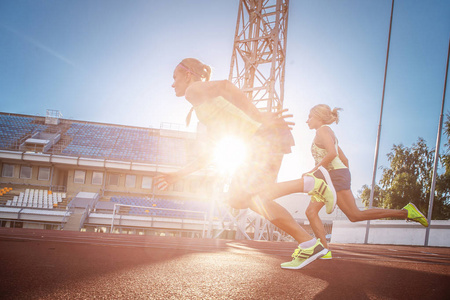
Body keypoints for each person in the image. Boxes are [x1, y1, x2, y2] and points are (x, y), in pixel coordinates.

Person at [156, 58, 336, 270]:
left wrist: (259, 116)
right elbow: (210, 154)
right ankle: (308, 242)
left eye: (175, 77)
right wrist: (177, 175)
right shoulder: (203, 109)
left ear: (187, 75)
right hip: (266, 138)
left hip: (263, 137)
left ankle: (312, 185)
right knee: (252, 199)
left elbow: (224, 85)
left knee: (239, 197)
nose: (172, 84)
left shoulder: (193, 90)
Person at [303, 104, 429, 259]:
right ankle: (324, 249)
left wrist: (314, 172)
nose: (306, 120)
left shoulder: (322, 130)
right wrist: (342, 179)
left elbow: (332, 153)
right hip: (332, 177)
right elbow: (344, 159)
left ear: (318, 116)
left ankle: (406, 212)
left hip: (333, 177)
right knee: (320, 212)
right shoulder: (327, 133)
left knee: (348, 214)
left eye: (309, 116)